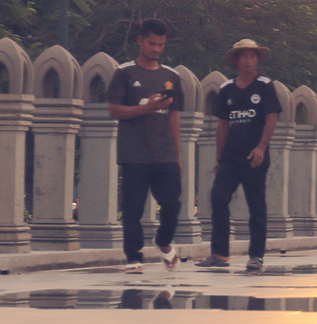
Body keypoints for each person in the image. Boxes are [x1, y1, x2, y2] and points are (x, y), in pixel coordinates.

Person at [106, 19, 184, 271]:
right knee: (132, 209)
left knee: (172, 204)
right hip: (134, 154)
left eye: (161, 44)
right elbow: (115, 110)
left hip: (165, 154)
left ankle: (163, 242)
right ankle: (134, 257)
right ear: (140, 40)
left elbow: (174, 114)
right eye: (152, 43)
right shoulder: (124, 72)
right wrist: (146, 108)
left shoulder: (171, 76)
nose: (156, 49)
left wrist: (177, 153)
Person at [202, 38, 281, 272]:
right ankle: (219, 254)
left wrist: (261, 147)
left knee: (256, 204)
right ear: (236, 60)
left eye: (252, 56)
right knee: (218, 198)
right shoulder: (227, 88)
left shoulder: (265, 85)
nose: (249, 60)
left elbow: (271, 117)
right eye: (244, 56)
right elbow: (224, 124)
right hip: (231, 157)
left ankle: (256, 255)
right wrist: (219, 157)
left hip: (254, 156)